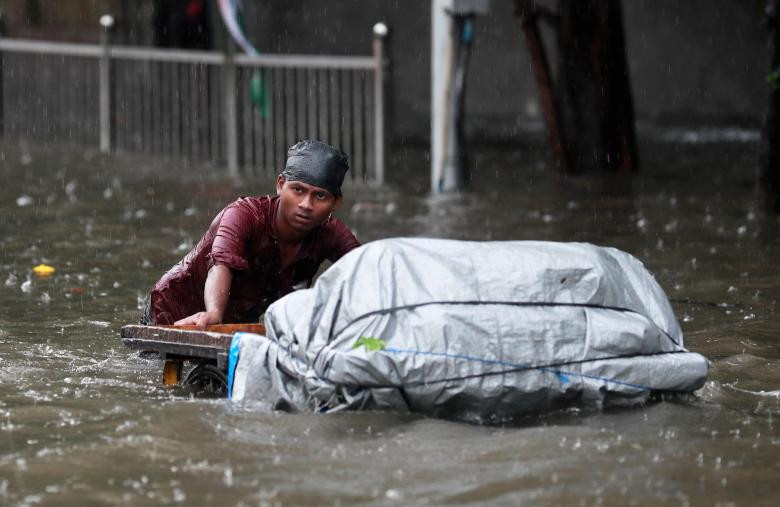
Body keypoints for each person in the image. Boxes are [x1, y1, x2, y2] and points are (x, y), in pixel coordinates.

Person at [142, 140, 361, 328]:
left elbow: (368, 271)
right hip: (173, 312)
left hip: (234, 324)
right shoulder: (244, 215)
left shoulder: (331, 234)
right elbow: (221, 263)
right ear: (280, 185)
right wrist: (214, 312)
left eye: (320, 196)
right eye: (298, 190)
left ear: (336, 202)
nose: (306, 204)